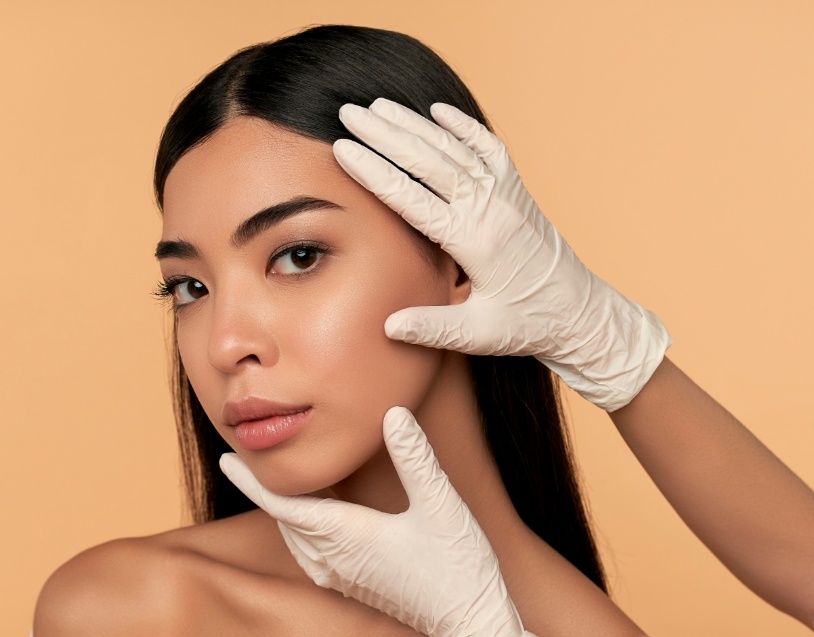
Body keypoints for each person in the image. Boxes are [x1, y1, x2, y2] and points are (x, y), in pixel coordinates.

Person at [32, 23, 814, 636]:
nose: (225, 342)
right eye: (190, 286)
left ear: (461, 260)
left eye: (298, 255)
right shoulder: (135, 610)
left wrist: (607, 342)